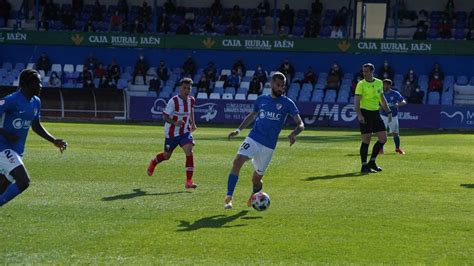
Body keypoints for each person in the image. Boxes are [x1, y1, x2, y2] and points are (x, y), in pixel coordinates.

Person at [224, 72, 304, 209]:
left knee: (256, 179)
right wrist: (238, 130)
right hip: (253, 137)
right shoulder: (261, 99)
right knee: (237, 161)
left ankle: (254, 195)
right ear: (271, 84)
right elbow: (252, 115)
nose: (280, 88)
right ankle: (229, 197)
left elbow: (301, 124)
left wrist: (294, 133)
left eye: (283, 86)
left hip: (268, 146)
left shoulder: (287, 103)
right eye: (278, 85)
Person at [0, 69, 67, 207]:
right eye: (37, 83)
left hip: (17, 151)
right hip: (3, 147)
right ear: (26, 84)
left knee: (2, 189)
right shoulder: (10, 100)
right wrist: (6, 134)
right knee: (23, 181)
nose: (41, 86)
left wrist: (53, 140)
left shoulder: (36, 102)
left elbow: (35, 125)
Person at [147, 78, 198, 189]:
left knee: (189, 151)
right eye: (184, 88)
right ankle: (154, 162)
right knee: (166, 156)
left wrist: (193, 123)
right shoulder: (173, 101)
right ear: (180, 88)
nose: (186, 90)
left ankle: (189, 181)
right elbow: (165, 116)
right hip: (171, 134)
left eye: (188, 88)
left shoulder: (191, 100)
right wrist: (175, 122)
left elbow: (191, 110)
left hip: (185, 131)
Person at [354, 63, 392, 173]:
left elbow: (382, 98)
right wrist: (359, 115)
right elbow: (356, 101)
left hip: (376, 113)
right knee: (366, 140)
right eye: (363, 71)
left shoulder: (379, 82)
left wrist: (388, 111)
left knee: (383, 139)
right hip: (365, 113)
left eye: (366, 71)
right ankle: (364, 165)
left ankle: (372, 162)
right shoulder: (361, 84)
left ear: (372, 71)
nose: (364, 73)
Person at [380, 79, 406, 155]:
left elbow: (404, 102)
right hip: (383, 115)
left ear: (389, 85)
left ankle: (397, 148)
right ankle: (381, 149)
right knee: (382, 133)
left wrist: (398, 104)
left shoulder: (395, 93)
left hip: (393, 116)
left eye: (385, 85)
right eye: (383, 85)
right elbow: (377, 103)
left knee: (395, 133)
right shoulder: (381, 93)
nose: (383, 86)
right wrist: (380, 107)